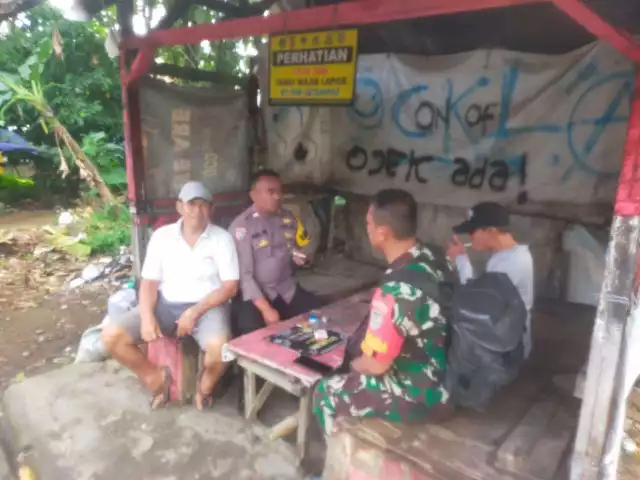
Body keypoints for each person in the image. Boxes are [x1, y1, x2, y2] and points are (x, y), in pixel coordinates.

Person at [313, 189, 451, 436]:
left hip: (422, 395)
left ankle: (334, 457)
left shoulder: (395, 291)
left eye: (369, 224)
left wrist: (350, 367)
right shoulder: (434, 257)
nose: (366, 229)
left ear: (383, 232)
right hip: (447, 371)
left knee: (325, 391)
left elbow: (376, 365)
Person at [102, 181, 239, 410]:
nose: (197, 211)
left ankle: (205, 387)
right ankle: (155, 378)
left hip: (207, 307)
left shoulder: (222, 238)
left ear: (211, 209)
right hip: (166, 304)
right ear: (179, 207)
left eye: (203, 205)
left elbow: (230, 287)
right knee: (111, 336)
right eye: (191, 204)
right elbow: (149, 283)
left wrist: (193, 312)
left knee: (220, 350)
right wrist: (147, 317)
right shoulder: (161, 236)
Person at [229, 169, 323, 337]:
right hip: (255, 295)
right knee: (254, 333)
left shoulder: (288, 218)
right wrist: (266, 309)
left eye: (280, 191)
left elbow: (298, 248)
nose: (278, 196)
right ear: (254, 195)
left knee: (319, 314)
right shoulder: (242, 227)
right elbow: (245, 276)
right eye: (271, 192)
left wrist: (301, 258)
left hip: (286, 288)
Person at [446, 201, 534, 357]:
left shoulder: (512, 263)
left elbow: (477, 304)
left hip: (506, 350)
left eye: (473, 232)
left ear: (491, 230)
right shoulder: (505, 255)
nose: (470, 236)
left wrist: (461, 260)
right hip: (502, 338)